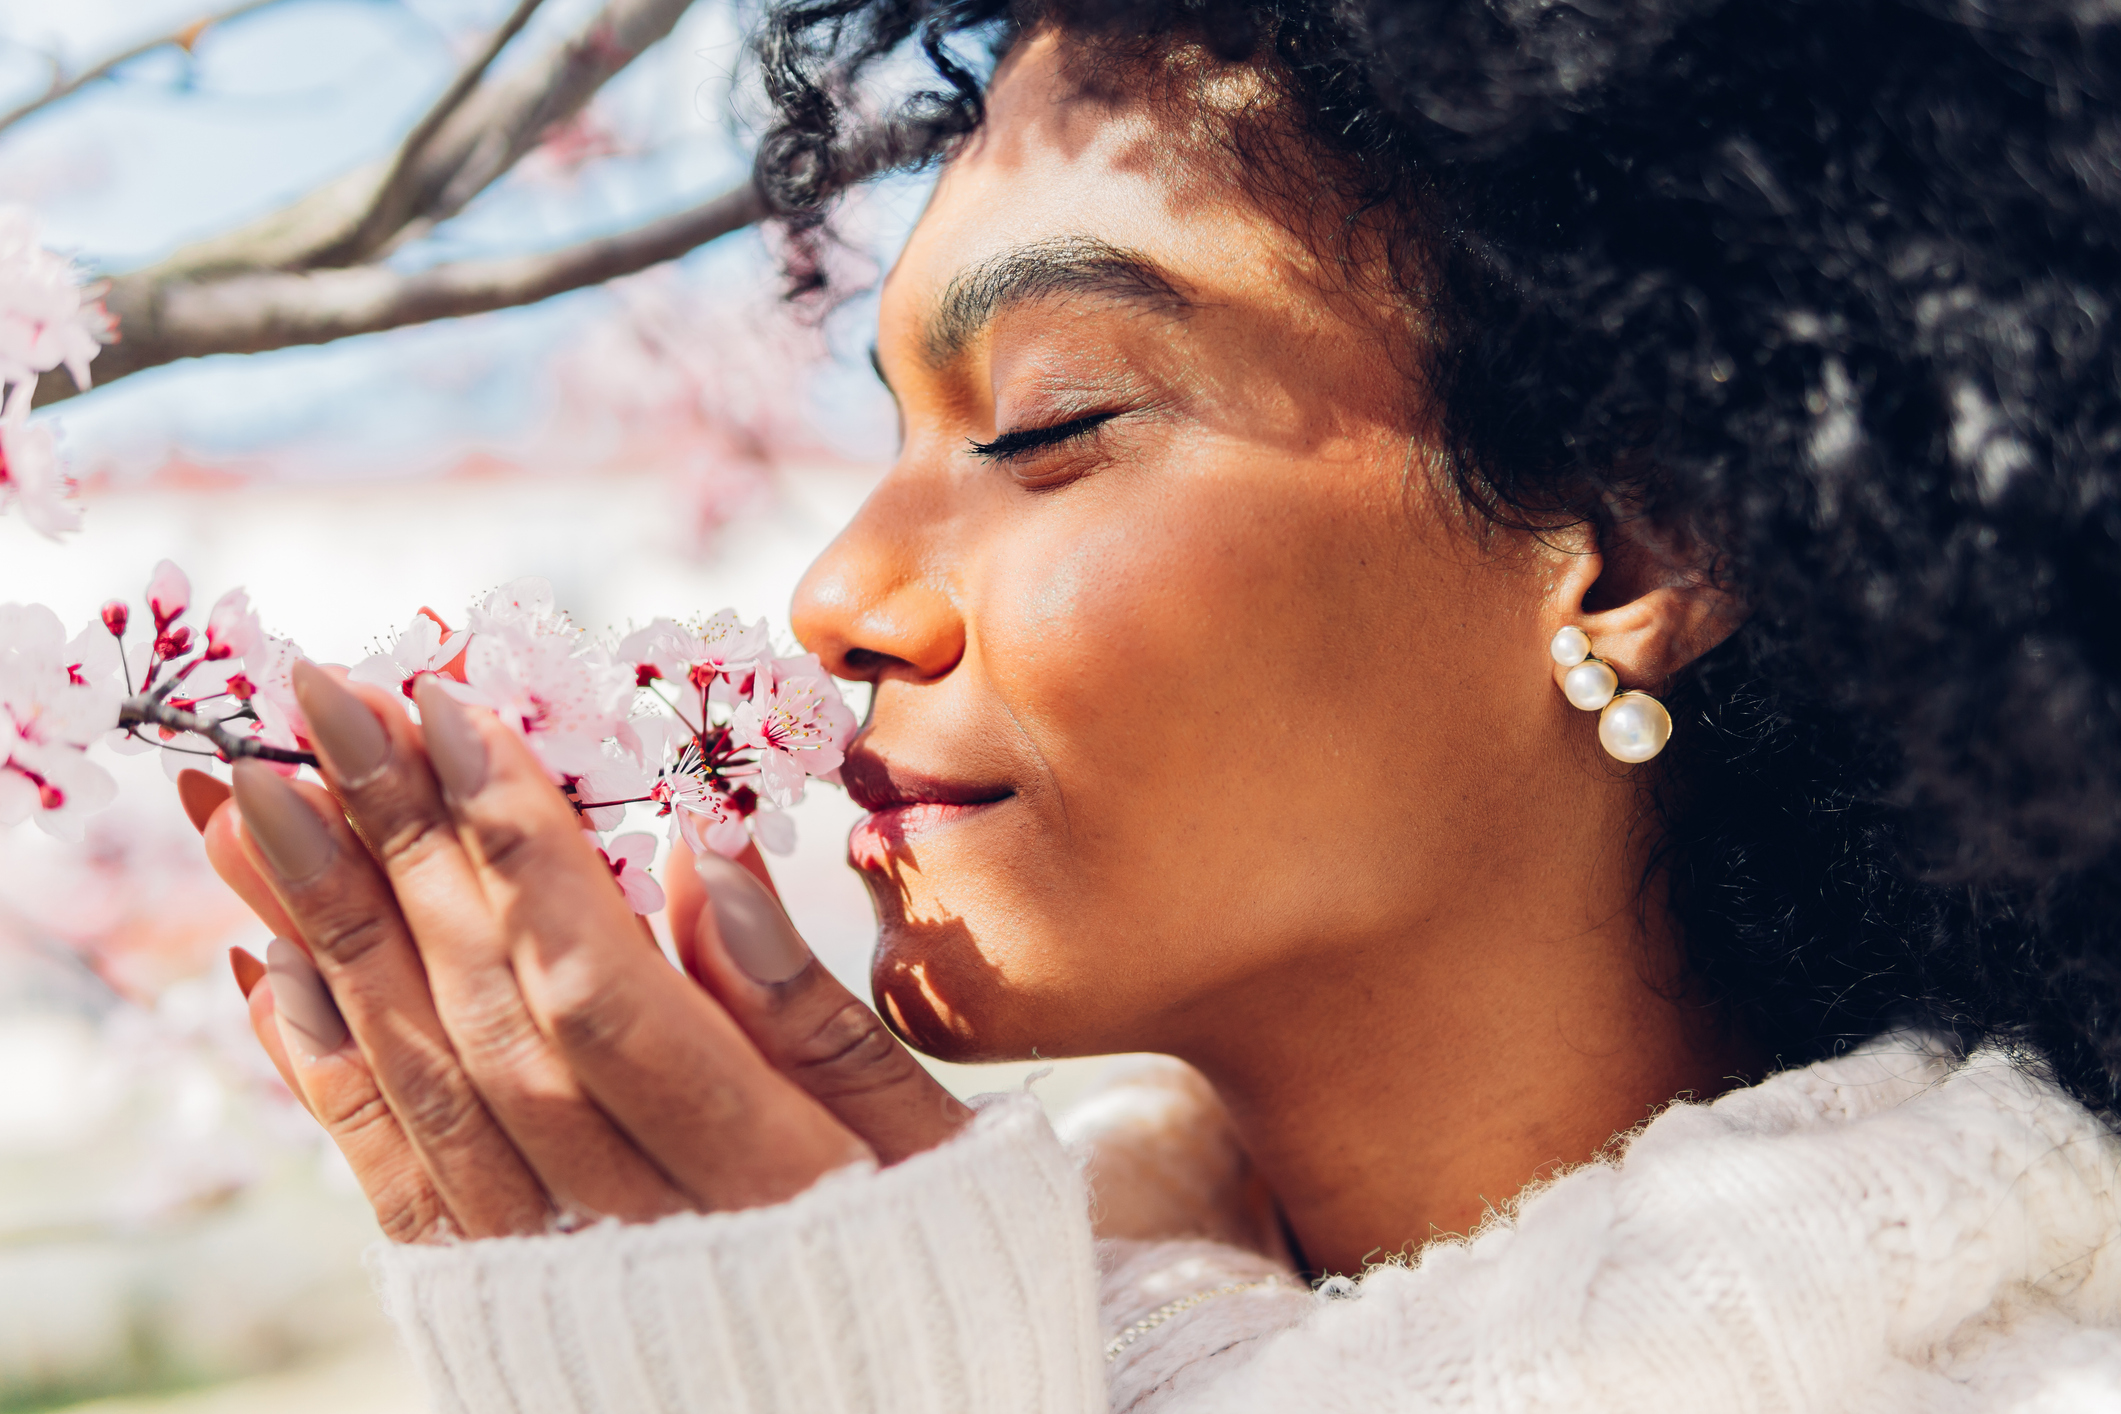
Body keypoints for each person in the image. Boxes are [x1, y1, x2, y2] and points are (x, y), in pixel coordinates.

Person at [182, 0, 2121, 1408]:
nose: (835, 595)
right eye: (888, 425)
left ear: (1626, 542)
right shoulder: (937, 1320)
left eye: (1046, 423)